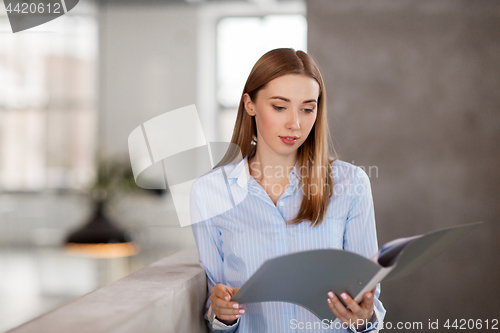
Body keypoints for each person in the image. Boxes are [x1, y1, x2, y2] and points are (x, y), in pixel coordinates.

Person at [190, 48, 385, 333]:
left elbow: (370, 308)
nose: (295, 123)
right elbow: (217, 309)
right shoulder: (210, 193)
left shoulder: (350, 184)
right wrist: (222, 314)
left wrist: (364, 318)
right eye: (280, 107)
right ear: (250, 104)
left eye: (307, 108)